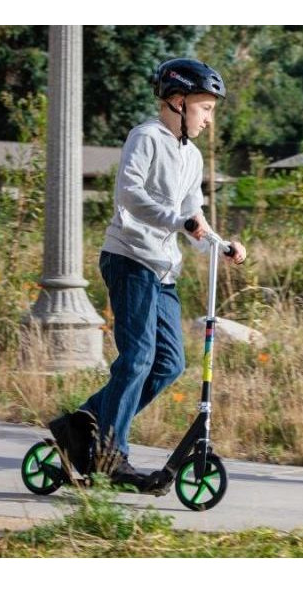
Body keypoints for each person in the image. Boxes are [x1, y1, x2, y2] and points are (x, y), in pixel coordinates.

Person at [48, 58, 247, 484]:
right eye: (205, 108)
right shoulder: (146, 137)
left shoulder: (191, 156)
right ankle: (110, 455)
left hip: (163, 270)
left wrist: (220, 244)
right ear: (178, 101)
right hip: (129, 259)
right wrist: (179, 222)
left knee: (169, 363)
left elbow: (194, 218)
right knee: (138, 356)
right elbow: (130, 194)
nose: (209, 119)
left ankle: (81, 425)